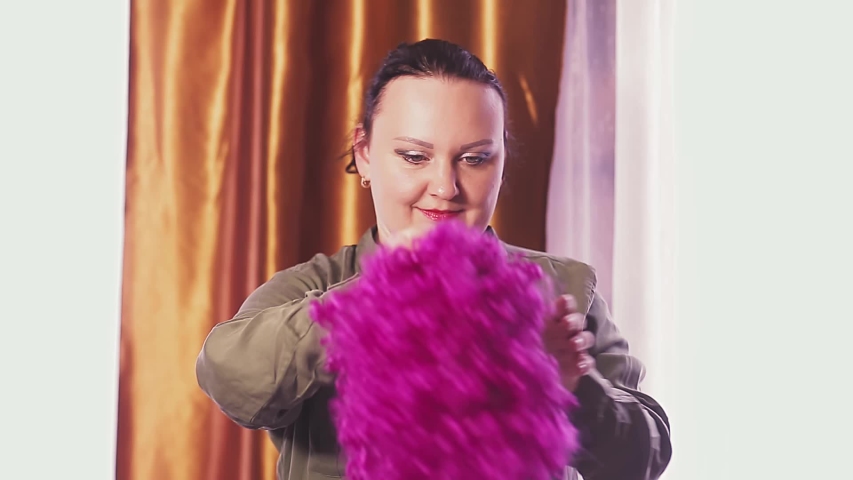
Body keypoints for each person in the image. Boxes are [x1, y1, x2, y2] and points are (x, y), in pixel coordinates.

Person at [196, 38, 672, 480]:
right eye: (414, 156)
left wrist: (572, 388)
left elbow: (646, 457)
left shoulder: (565, 289)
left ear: (502, 161)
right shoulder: (310, 289)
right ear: (364, 154)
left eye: (475, 159)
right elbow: (229, 379)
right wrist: (378, 298)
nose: (445, 188)